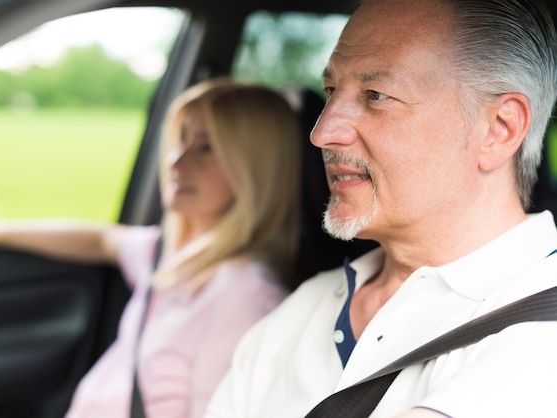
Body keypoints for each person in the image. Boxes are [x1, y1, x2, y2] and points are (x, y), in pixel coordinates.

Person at [204, 0, 557, 417]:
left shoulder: (540, 333)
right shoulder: (302, 309)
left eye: (376, 95)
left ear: (499, 129)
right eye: (332, 91)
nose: (322, 132)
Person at [0, 78, 302, 418]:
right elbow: (102, 240)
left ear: (256, 170)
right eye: (181, 139)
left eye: (207, 148)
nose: (177, 161)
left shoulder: (245, 299)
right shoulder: (170, 255)